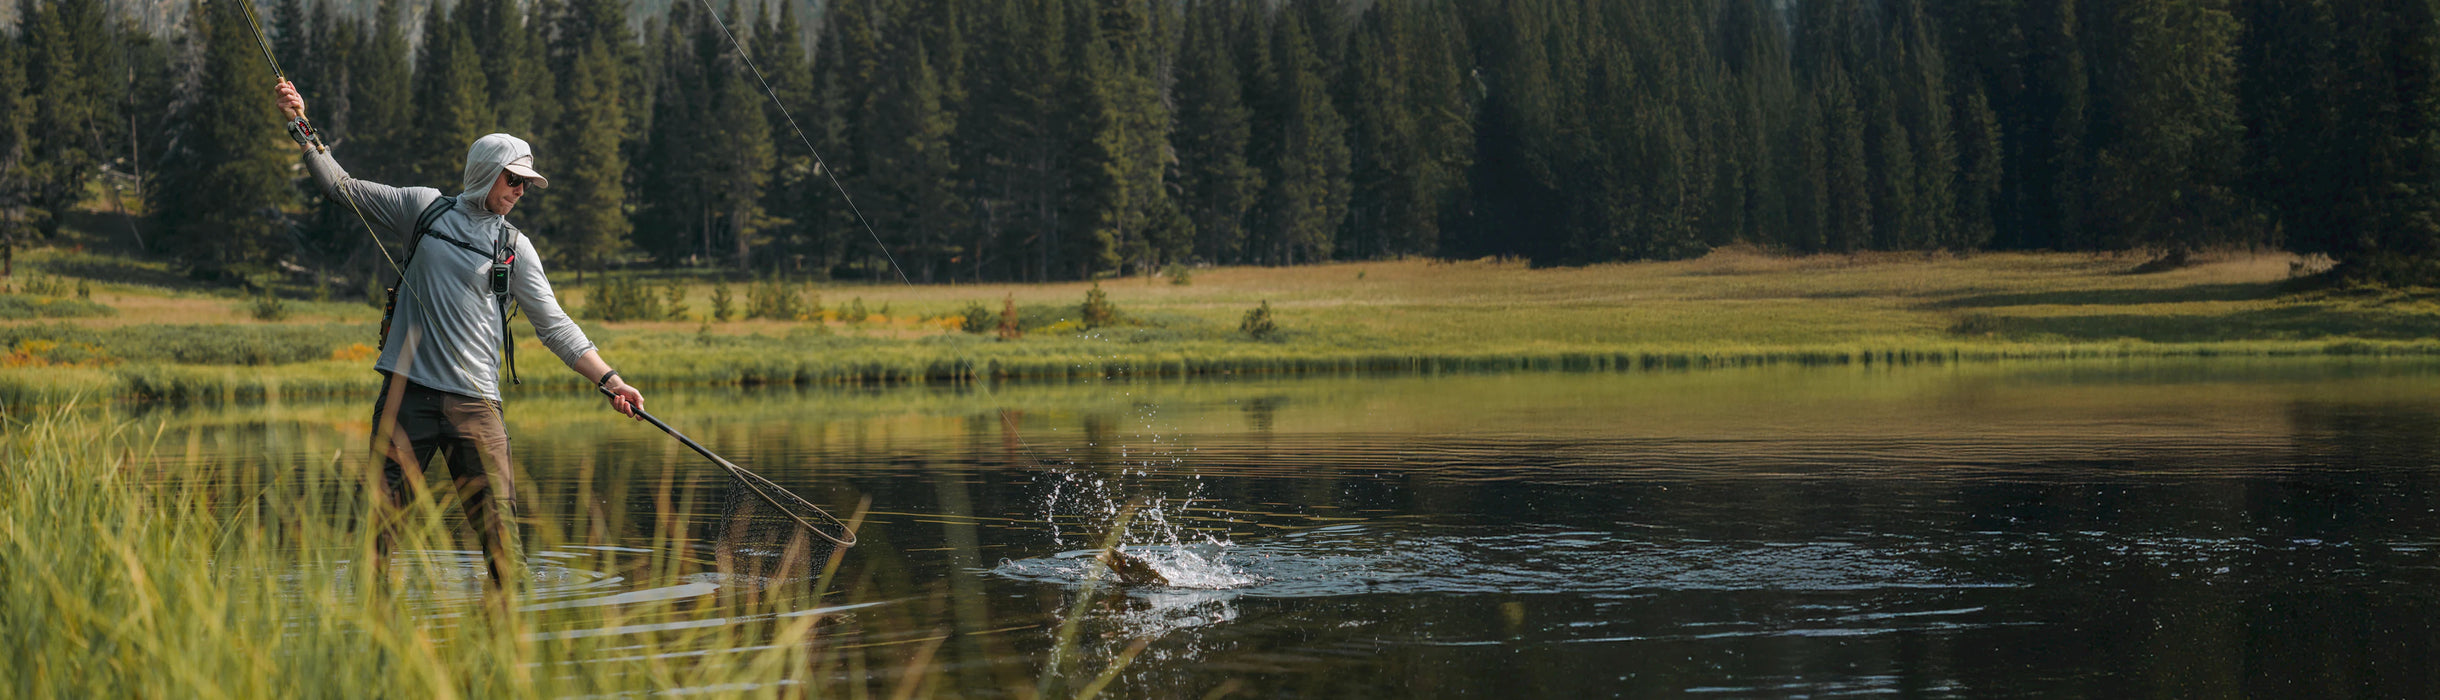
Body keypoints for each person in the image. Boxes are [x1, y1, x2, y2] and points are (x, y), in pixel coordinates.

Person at [276, 80, 645, 591]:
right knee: (378, 539)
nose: (518, 191)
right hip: (406, 397)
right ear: (485, 173)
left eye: (524, 184)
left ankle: (505, 645)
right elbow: (341, 187)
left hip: (478, 407)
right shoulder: (421, 209)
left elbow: (555, 325)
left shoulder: (515, 247)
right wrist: (301, 125)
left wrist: (611, 380)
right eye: (512, 180)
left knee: (503, 550)